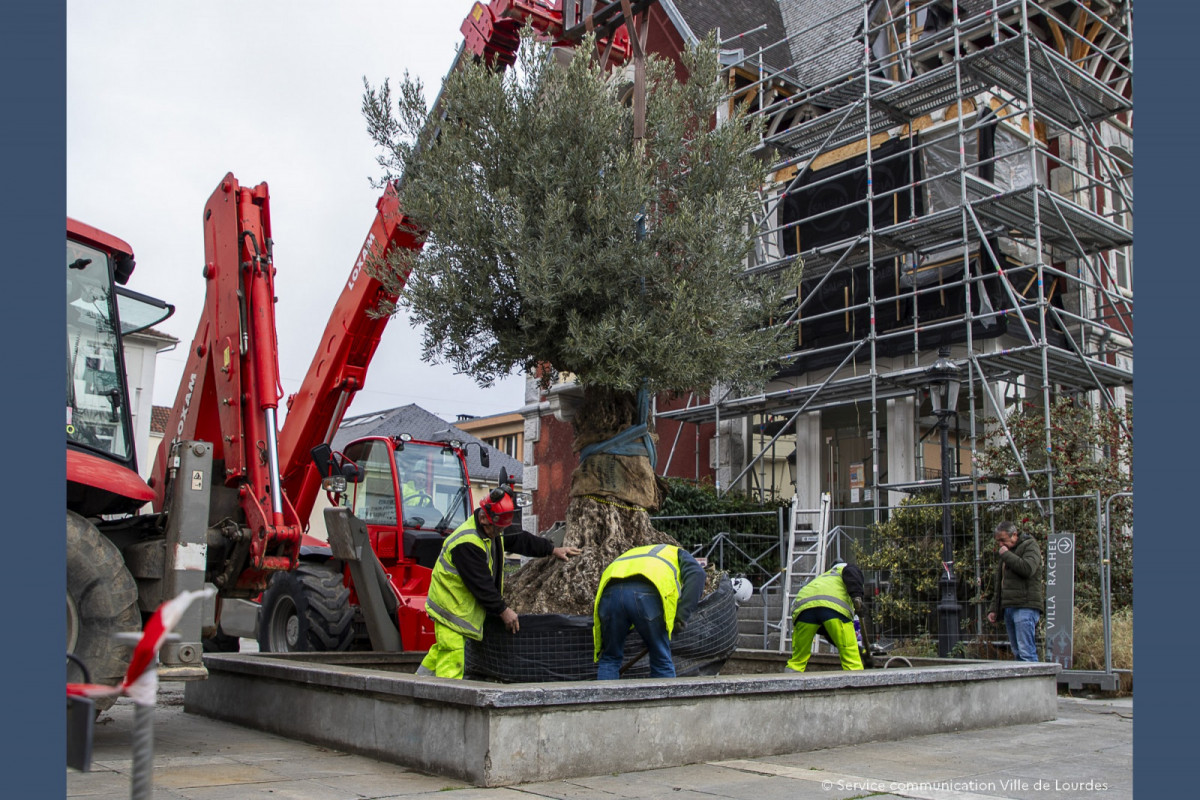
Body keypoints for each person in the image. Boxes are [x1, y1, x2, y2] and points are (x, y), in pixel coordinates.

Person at [417, 485, 580, 678]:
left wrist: (552, 549)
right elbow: (482, 585)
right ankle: (444, 704)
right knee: (452, 658)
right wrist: (504, 611)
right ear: (485, 518)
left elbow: (520, 540)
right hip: (451, 610)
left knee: (440, 652)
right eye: (497, 529)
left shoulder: (492, 529)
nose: (499, 533)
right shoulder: (467, 543)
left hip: (457, 607)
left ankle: (415, 686)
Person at [592, 544, 706, 679]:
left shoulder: (633, 553)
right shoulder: (675, 552)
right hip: (646, 594)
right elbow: (698, 574)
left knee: (610, 658)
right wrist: (681, 616)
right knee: (660, 657)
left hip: (610, 595)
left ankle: (604, 699)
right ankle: (665, 699)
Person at [785, 561, 865, 673]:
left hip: (803, 608)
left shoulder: (823, 578)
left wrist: (860, 649)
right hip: (833, 607)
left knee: (797, 660)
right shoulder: (846, 568)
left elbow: (830, 631)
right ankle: (860, 687)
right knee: (851, 659)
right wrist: (857, 597)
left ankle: (788, 683)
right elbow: (851, 573)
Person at [986, 520, 1043, 662]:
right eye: (998, 541)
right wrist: (994, 608)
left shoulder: (1030, 545)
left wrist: (1006, 555)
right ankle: (1023, 683)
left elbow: (1028, 568)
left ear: (1014, 535)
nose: (1000, 545)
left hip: (1025, 606)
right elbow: (1001, 584)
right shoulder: (1008, 552)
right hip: (1009, 607)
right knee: (1017, 651)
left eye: (1002, 540)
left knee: (1026, 652)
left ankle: (1033, 683)